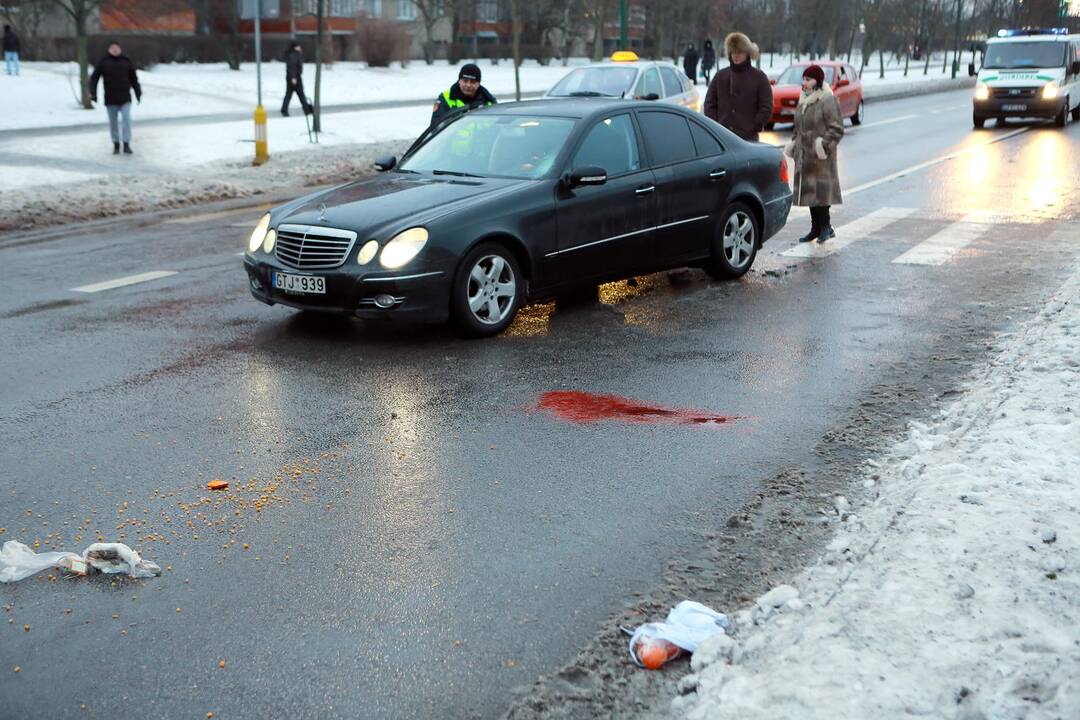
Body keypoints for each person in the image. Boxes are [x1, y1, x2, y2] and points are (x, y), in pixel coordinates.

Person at [784, 64, 844, 243]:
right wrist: (795, 143)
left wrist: (823, 146)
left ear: (817, 81)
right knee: (810, 191)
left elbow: (837, 128)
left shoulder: (827, 100)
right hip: (805, 154)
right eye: (803, 79)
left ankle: (826, 227)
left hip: (821, 157)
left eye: (808, 79)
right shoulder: (804, 100)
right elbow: (798, 126)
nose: (804, 83)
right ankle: (815, 228)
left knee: (822, 192)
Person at [703, 32, 772, 142]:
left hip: (749, 139)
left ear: (747, 53)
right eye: (733, 52)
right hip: (722, 138)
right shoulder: (720, 76)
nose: (735, 55)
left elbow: (766, 106)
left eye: (739, 52)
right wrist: (716, 126)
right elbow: (709, 104)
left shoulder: (759, 77)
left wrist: (754, 125)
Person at [89, 41, 141, 155]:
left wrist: (138, 93)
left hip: (125, 97)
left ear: (120, 49)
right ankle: (116, 144)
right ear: (108, 50)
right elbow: (94, 78)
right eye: (112, 48)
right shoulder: (103, 62)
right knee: (113, 122)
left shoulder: (126, 61)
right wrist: (93, 94)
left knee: (127, 119)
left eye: (116, 48)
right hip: (110, 98)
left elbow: (134, 79)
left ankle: (126, 143)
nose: (115, 50)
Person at [430, 63, 496, 127]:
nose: (468, 85)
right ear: (459, 81)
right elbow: (435, 128)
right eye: (465, 81)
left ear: (478, 83)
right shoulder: (445, 99)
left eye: (473, 82)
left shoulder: (489, 102)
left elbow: (496, 127)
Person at [281, 41, 312, 117]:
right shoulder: (294, 55)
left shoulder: (294, 54)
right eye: (299, 46)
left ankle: (284, 109)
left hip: (292, 77)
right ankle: (306, 109)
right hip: (295, 77)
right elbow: (292, 67)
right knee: (300, 94)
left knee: (290, 94)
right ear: (295, 47)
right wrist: (293, 77)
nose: (300, 48)